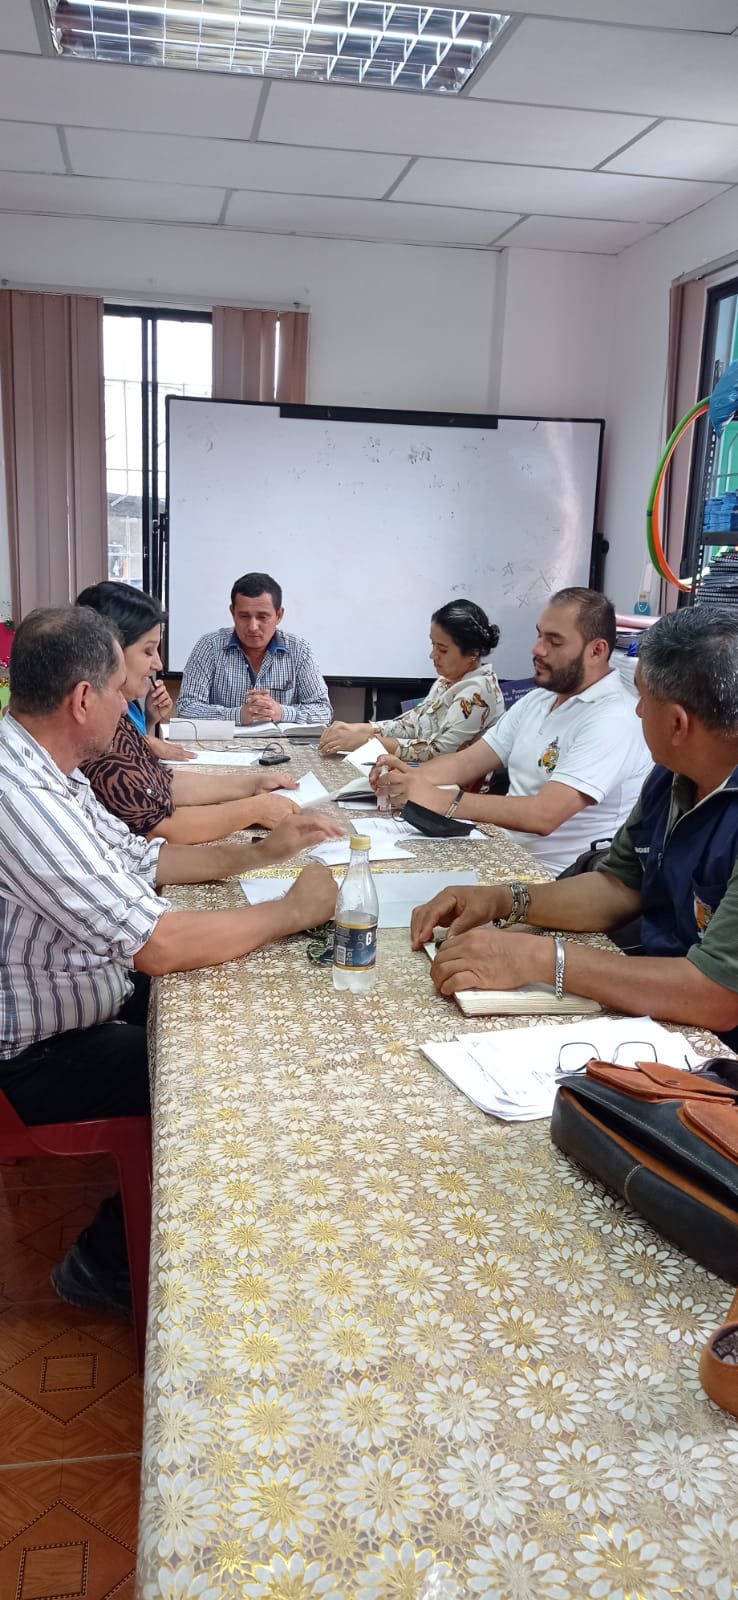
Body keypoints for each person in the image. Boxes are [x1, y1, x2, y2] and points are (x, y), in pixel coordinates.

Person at [0, 607, 340, 1316]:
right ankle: (106, 1263)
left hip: (87, 996)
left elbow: (143, 859)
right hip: (31, 1057)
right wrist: (291, 912)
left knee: (232, 1013)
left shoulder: (50, 768)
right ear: (83, 699)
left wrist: (261, 854)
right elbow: (158, 946)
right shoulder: (19, 796)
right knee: (213, 1077)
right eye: (118, 688)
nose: (130, 702)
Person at [411, 607, 738, 1049]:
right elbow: (617, 886)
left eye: (644, 700)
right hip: (662, 1005)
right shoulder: (672, 777)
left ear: (678, 723)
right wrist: (504, 899)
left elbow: (716, 994)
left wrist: (545, 959)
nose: (638, 709)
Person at [370, 588, 651, 877]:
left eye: (554, 641)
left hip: (555, 878)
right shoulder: (539, 700)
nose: (538, 649)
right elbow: (467, 762)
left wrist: (439, 800)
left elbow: (544, 815)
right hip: (502, 855)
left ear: (597, 651)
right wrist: (409, 778)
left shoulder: (613, 718)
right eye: (539, 635)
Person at [77, 582, 302, 843]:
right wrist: (254, 809)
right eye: (148, 651)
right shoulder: (96, 733)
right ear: (109, 652)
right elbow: (158, 828)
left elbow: (160, 782)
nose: (158, 663)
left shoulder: (117, 719)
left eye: (263, 616)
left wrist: (252, 784)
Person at [319, 600, 504, 761]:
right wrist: (358, 730)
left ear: (473, 653)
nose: (433, 655)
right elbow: (412, 726)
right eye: (433, 645)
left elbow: (439, 751)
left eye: (443, 649)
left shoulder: (478, 692)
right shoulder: (446, 681)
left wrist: (366, 742)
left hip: (452, 786)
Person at [177, 571, 332, 726]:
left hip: (281, 741)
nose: (252, 627)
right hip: (224, 741)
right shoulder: (209, 646)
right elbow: (186, 708)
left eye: (262, 617)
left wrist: (281, 712)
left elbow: (323, 710)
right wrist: (237, 715)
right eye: (244, 616)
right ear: (232, 612)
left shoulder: (299, 650)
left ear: (279, 615)